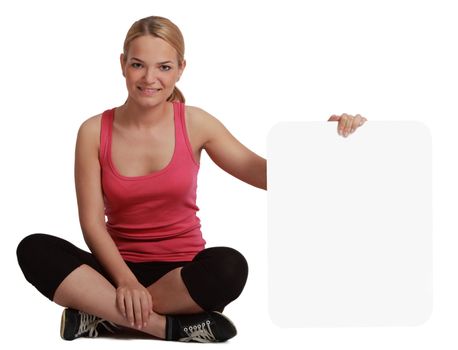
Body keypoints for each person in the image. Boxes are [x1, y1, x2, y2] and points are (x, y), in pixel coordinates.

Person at [16, 15, 366, 343]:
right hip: (114, 271)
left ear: (181, 69)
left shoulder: (196, 123)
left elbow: (263, 173)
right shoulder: (93, 131)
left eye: (164, 67)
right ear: (122, 63)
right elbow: (92, 223)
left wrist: (324, 146)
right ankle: (168, 327)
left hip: (181, 277)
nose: (149, 78)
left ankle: (105, 317)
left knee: (230, 267)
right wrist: (125, 282)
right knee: (33, 249)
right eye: (138, 64)